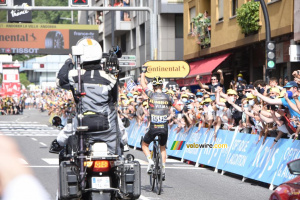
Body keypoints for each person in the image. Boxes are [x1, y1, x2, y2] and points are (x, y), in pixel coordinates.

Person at [52, 38, 122, 156]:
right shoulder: (110, 77)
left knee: (72, 153)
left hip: (82, 126)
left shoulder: (74, 75)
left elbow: (60, 81)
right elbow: (114, 100)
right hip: (108, 127)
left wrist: (69, 61)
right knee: (118, 155)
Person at [140, 66, 184, 181]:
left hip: (153, 126)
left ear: (154, 87)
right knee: (163, 148)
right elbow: (179, 108)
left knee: (144, 144)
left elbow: (142, 84)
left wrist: (143, 73)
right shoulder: (168, 96)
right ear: (163, 86)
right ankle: (163, 169)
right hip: (164, 127)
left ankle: (150, 161)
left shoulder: (150, 94)